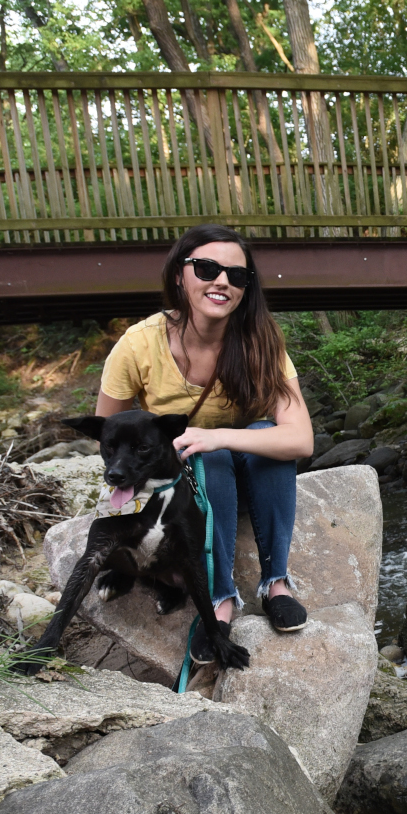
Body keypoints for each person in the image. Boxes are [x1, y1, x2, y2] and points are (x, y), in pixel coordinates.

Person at [94, 223, 314, 634]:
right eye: (208, 268)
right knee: (208, 456)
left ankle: (276, 584)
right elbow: (107, 436)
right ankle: (219, 600)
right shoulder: (138, 345)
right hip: (183, 488)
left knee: (265, 433)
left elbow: (300, 438)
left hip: (253, 483)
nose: (222, 282)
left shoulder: (260, 340)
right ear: (180, 274)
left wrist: (217, 437)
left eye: (237, 275)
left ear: (246, 287)